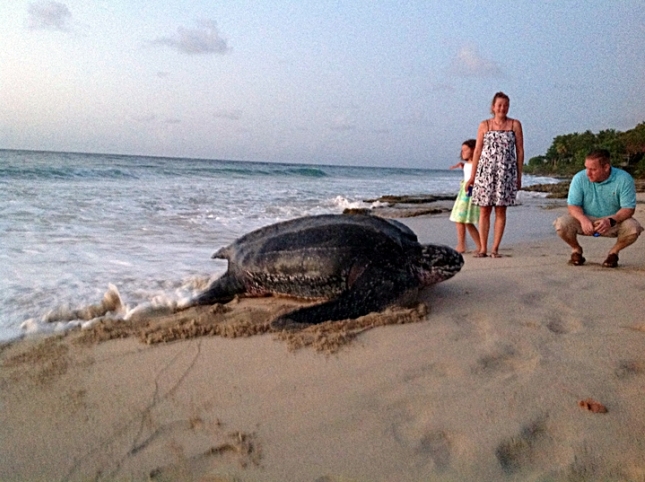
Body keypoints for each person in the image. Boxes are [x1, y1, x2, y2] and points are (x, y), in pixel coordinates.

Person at [554, 149, 643, 267]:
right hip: (586, 219)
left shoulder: (624, 179)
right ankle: (576, 249)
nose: (588, 173)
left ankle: (613, 253)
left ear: (606, 167)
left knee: (633, 228)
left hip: (613, 220)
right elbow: (573, 205)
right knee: (561, 225)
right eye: (586, 168)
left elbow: (628, 209)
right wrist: (583, 219)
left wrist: (611, 220)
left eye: (593, 169)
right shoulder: (579, 178)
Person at [465, 92, 524, 258]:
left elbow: (519, 150)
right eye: (499, 105)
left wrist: (519, 175)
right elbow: (477, 151)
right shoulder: (484, 125)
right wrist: (472, 176)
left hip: (506, 173)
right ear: (493, 107)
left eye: (505, 105)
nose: (502, 108)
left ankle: (495, 248)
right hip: (485, 173)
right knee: (484, 210)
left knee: (500, 211)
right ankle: (483, 248)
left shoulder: (515, 125)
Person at [449, 139, 481, 253]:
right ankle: (479, 246)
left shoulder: (478, 163)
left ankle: (462, 246)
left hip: (469, 192)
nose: (463, 152)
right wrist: (463, 166)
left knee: (459, 218)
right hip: (464, 192)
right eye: (462, 150)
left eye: (465, 150)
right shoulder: (469, 164)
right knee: (466, 221)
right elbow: (469, 170)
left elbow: (476, 176)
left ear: (473, 150)